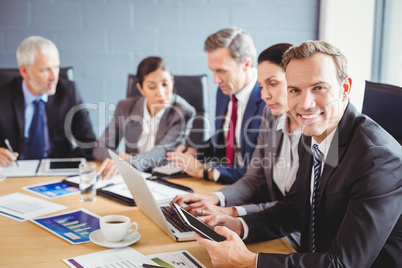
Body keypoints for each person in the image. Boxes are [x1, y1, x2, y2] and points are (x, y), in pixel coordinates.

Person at [195, 40, 402, 267]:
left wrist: (250, 261)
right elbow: (296, 207)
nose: (305, 104)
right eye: (295, 90)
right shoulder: (312, 133)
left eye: (319, 88)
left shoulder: (377, 159)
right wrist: (242, 225)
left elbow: (344, 263)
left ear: (345, 89)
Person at [170, 43, 302, 219]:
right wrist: (213, 198)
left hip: (274, 217)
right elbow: (252, 174)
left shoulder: (309, 128)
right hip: (262, 211)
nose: (265, 95)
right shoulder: (269, 113)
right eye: (262, 86)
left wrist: (230, 209)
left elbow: (295, 206)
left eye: (273, 83)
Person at [167, 27, 265, 184]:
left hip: (251, 192)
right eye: (213, 71)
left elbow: (261, 171)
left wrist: (205, 171)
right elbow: (224, 139)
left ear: (246, 64)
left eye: (222, 71)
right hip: (222, 185)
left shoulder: (269, 100)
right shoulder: (225, 91)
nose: (215, 80)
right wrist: (196, 152)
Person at [0, 36, 96, 167]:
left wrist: (64, 165)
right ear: (24, 71)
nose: (54, 76)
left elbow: (89, 142)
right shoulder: (3, 95)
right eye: (45, 69)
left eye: (56, 67)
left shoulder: (68, 91)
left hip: (54, 171)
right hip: (12, 169)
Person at [93, 56, 196, 178]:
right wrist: (120, 157)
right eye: (152, 87)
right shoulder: (125, 107)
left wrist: (130, 162)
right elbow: (100, 149)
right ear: (141, 89)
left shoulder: (183, 112)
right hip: (131, 177)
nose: (161, 92)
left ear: (172, 81)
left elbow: (163, 151)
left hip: (165, 178)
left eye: (165, 84)